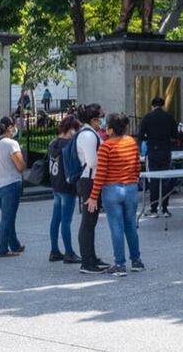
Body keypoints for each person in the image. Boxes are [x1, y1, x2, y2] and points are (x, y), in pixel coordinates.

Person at [87, 113, 144, 277]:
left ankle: (119, 264)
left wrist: (93, 195)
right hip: (131, 188)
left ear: (111, 129)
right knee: (131, 226)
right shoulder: (131, 143)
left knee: (116, 227)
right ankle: (136, 261)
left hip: (112, 190)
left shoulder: (106, 146)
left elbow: (101, 173)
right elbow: (137, 166)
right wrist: (133, 179)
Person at [75, 104, 110, 273]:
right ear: (94, 119)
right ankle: (87, 262)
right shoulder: (88, 135)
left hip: (91, 179)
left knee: (91, 221)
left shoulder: (89, 133)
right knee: (88, 222)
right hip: (90, 180)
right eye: (101, 117)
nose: (103, 120)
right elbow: (93, 162)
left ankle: (91, 257)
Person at [0, 116, 26, 258]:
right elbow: (20, 166)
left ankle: (14, 244)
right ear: (10, 127)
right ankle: (2, 248)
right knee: (7, 218)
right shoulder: (11, 144)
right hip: (10, 184)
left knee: (7, 216)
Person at [47, 115, 81, 264]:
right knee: (66, 221)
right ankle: (69, 252)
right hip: (67, 186)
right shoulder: (69, 145)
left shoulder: (53, 143)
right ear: (71, 129)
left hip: (55, 184)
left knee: (56, 219)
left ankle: (54, 250)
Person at [139, 96, 180, 218]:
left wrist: (150, 138)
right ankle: (165, 208)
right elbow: (175, 135)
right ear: (162, 105)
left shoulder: (147, 118)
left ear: (152, 105)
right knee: (166, 179)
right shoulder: (169, 117)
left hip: (153, 151)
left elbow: (140, 135)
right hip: (166, 150)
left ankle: (153, 208)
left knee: (154, 179)